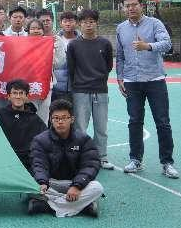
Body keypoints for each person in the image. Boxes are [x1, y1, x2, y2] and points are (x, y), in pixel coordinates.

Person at [115, 0, 179, 178]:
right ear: (123, 8)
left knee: (162, 122)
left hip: (155, 80)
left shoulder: (154, 24)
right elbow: (120, 56)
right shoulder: (121, 28)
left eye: (134, 4)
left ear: (141, 6)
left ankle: (167, 163)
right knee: (134, 121)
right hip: (131, 81)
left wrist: (148, 46)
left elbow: (167, 44)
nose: (131, 8)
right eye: (127, 6)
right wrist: (120, 77)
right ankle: (135, 160)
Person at [29, 99, 104, 217]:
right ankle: (83, 206)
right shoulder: (40, 140)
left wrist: (77, 186)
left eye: (64, 118)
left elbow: (90, 165)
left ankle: (48, 206)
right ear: (51, 120)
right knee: (30, 185)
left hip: (74, 183)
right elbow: (38, 164)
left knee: (97, 187)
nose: (60, 122)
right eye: (56, 118)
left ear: (72, 119)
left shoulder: (84, 139)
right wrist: (42, 182)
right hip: (50, 183)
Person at [67, 9, 115, 170]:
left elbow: (108, 66)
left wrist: (98, 79)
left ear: (96, 23)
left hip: (100, 90)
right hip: (80, 91)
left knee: (101, 127)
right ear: (79, 24)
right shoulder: (73, 45)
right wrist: (79, 83)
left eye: (92, 21)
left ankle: (102, 156)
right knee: (80, 127)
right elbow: (71, 68)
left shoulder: (105, 44)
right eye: (85, 22)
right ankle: (81, 157)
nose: (88, 25)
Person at [0, 79, 46, 172]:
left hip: (27, 165)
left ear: (26, 97)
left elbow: (45, 140)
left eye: (21, 93)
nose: (18, 96)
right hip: (3, 162)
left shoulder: (35, 119)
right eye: (15, 93)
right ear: (8, 96)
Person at [26, 18, 66, 119]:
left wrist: (56, 47)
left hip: (45, 84)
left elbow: (58, 63)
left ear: (43, 31)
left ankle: (43, 130)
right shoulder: (22, 44)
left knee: (43, 116)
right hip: (27, 85)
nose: (36, 31)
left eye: (39, 28)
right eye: (33, 28)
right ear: (28, 31)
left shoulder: (50, 43)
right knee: (28, 116)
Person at [52, 11, 79, 103]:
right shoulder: (54, 40)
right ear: (61, 23)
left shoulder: (82, 40)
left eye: (71, 21)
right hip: (57, 88)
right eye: (65, 21)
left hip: (77, 87)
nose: (68, 24)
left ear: (76, 23)